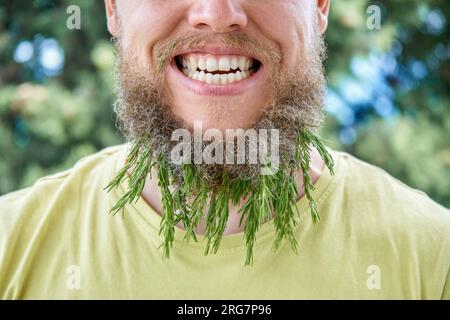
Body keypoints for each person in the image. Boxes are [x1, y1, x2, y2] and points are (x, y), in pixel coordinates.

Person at [0, 0, 449, 299]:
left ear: (319, 6)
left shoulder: (435, 260)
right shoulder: (10, 251)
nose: (217, 13)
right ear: (114, 7)